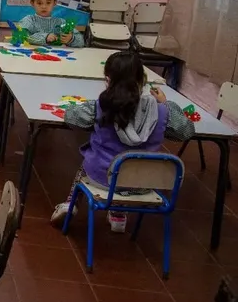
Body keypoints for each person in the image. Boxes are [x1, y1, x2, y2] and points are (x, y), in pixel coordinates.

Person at [50, 50, 195, 232]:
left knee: (86, 164)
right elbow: (186, 132)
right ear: (142, 79)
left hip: (103, 179)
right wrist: (165, 105)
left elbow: (72, 117)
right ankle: (118, 214)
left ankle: (70, 204)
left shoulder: (101, 106)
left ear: (108, 80)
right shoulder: (162, 111)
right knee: (126, 168)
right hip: (145, 183)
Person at [19, 0, 85, 47]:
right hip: (33, 55)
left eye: (48, 3)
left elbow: (81, 41)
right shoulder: (29, 20)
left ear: (55, 3)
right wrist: (45, 37)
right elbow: (22, 36)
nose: (44, 6)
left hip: (58, 56)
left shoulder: (61, 22)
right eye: (39, 3)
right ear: (32, 3)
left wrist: (71, 39)